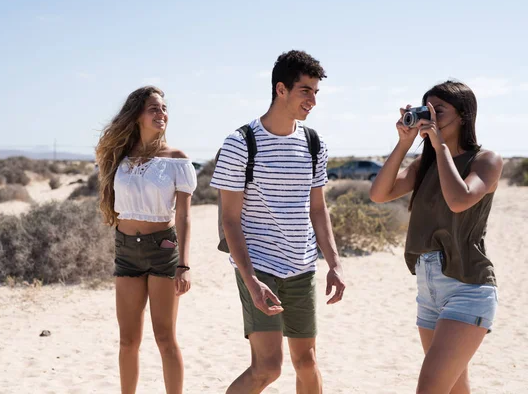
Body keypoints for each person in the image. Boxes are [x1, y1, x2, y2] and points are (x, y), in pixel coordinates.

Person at [211, 50, 346, 394]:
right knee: (268, 368)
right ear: (281, 89)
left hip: (301, 267)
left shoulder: (315, 144)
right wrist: (251, 279)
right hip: (259, 267)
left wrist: (334, 262)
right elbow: (229, 219)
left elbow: (318, 209)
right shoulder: (241, 143)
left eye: (316, 92)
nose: (313, 100)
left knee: (307, 363)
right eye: (306, 91)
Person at [369, 81, 502, 393]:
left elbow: (459, 199)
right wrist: (404, 143)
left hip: (468, 286)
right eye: (426, 109)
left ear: (464, 115)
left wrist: (440, 145)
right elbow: (379, 194)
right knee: (455, 390)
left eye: (438, 110)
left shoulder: (486, 160)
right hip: (428, 289)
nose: (430, 116)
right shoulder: (425, 164)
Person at [95, 86, 197, 394]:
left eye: (164, 109)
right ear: (137, 114)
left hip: (162, 250)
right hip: (126, 249)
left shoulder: (176, 159)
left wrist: (184, 265)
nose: (162, 113)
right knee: (128, 340)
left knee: (165, 338)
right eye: (154, 108)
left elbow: (183, 217)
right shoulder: (119, 157)